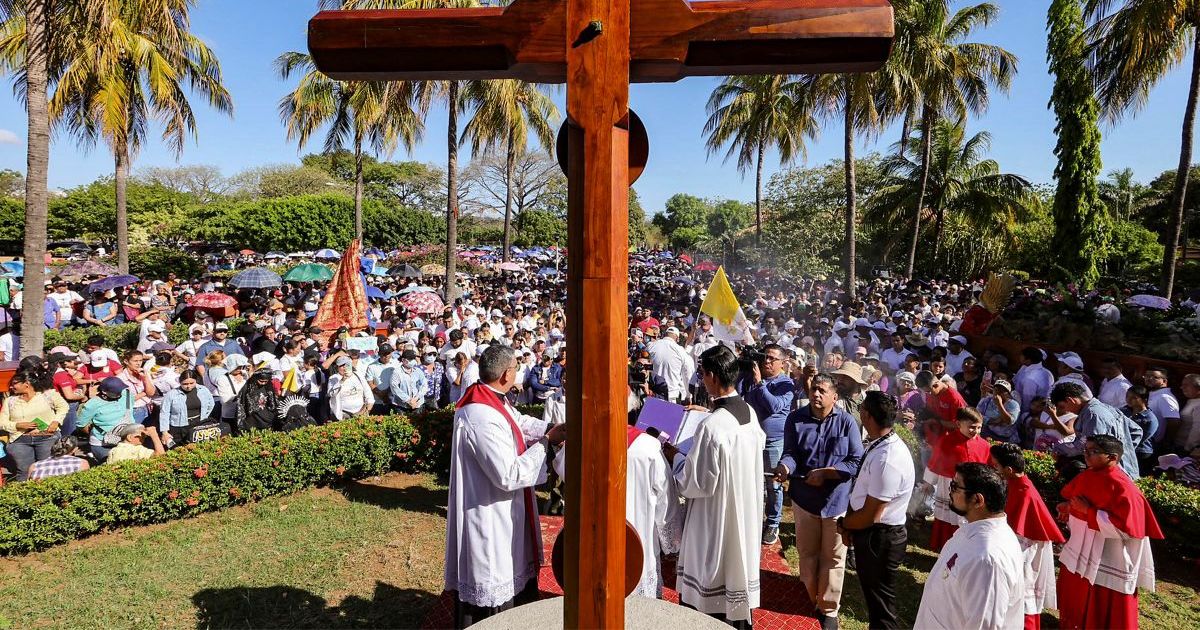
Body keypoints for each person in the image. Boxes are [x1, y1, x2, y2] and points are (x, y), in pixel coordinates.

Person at [444, 345, 567, 628]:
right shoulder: (480, 415)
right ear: (506, 374)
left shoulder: (491, 398)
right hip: (488, 511)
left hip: (504, 508)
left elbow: (518, 422)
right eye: (515, 368)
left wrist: (550, 427)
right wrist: (547, 442)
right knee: (492, 578)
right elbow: (508, 474)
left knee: (512, 570)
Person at [665, 344, 764, 629]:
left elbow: (696, 484)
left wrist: (677, 458)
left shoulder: (713, 426)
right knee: (736, 582)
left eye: (702, 375)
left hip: (715, 520)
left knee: (710, 595)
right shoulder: (748, 412)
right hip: (743, 514)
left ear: (712, 377)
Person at [773, 373, 863, 628]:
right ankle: (807, 600)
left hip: (836, 501)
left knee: (834, 558)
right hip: (804, 501)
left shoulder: (847, 423)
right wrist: (785, 467)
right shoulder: (795, 418)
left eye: (822, 390)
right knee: (807, 553)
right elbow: (790, 453)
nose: (816, 394)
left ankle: (828, 609)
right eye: (814, 389)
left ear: (835, 396)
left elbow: (855, 461)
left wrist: (827, 473)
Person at [1056, 434, 1164, 630]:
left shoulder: (1124, 488)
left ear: (1113, 458)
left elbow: (1128, 530)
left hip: (1111, 555)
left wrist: (1088, 512)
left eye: (1093, 452)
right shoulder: (1087, 474)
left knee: (1104, 607)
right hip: (1082, 549)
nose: (1086, 456)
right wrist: (1068, 507)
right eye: (1085, 450)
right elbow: (1076, 501)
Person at [914, 463, 1026, 630]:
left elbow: (984, 626)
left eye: (955, 486)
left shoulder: (988, 559)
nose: (949, 491)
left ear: (977, 500)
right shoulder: (974, 530)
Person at [836, 391, 913, 630]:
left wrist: (845, 525)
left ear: (866, 415)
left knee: (881, 608)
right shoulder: (881, 444)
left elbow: (871, 514)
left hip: (880, 536)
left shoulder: (888, 458)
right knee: (875, 602)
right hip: (870, 532)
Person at [991, 443, 1065, 630]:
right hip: (1018, 543)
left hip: (1026, 547)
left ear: (1008, 469)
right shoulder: (1015, 483)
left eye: (996, 466)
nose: (994, 469)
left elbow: (1020, 529)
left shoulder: (1025, 493)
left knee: (1022, 590)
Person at [744, 343, 795, 545]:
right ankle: (755, 518)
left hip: (774, 441)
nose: (767, 361)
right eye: (765, 357)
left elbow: (774, 406)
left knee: (773, 484)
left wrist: (759, 383)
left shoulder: (787, 384)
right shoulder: (754, 379)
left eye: (772, 358)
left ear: (782, 362)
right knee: (752, 481)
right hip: (752, 438)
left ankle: (773, 523)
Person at [923, 407, 990, 552]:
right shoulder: (946, 441)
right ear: (959, 424)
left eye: (979, 427)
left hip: (973, 488)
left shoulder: (984, 445)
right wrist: (928, 483)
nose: (976, 431)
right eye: (972, 427)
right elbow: (935, 462)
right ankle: (945, 548)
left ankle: (965, 550)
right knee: (949, 517)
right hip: (949, 485)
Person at [1050, 381, 1142, 479]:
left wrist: (1060, 449)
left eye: (1063, 407)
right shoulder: (1106, 407)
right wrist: (1123, 450)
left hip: (1112, 474)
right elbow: (1136, 431)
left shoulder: (1092, 415)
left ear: (1070, 400)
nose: (1066, 411)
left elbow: (1088, 447)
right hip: (1122, 468)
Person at [0, 371, 68, 481]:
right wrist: (17, 425)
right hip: (20, 440)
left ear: (26, 384)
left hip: (47, 438)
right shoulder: (10, 401)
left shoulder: (48, 395)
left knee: (47, 470)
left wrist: (56, 421)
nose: (12, 387)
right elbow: (2, 422)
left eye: (15, 384)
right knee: (24, 471)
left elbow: (63, 407)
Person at [77, 377, 134, 463]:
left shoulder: (126, 394)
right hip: (103, 444)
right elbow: (81, 424)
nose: (119, 394)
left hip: (126, 441)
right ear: (104, 392)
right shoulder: (93, 404)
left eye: (120, 391)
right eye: (115, 392)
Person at [158, 369, 216, 445]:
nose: (188, 386)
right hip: (179, 427)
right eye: (185, 384)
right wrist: (164, 432)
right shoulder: (171, 394)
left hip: (199, 423)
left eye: (192, 383)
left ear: (196, 381)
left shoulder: (203, 390)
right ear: (180, 382)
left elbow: (211, 404)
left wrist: (205, 416)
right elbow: (164, 413)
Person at [647, 326, 695, 404]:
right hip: (672, 395)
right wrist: (688, 395)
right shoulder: (680, 350)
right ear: (677, 338)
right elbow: (688, 373)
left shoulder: (651, 346)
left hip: (652, 393)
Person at [1121, 385, 1160, 475]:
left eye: (1134, 398)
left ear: (1144, 399)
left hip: (1141, 452)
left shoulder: (1150, 419)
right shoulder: (1124, 411)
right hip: (1124, 449)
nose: (1129, 400)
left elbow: (1142, 438)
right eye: (1127, 396)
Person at [329, 355, 373, 421]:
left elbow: (368, 393)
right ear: (337, 367)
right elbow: (331, 394)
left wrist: (366, 410)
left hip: (361, 412)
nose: (344, 367)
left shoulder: (358, 375)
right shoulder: (333, 378)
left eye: (347, 364)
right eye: (341, 365)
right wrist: (342, 380)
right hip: (343, 414)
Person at [978, 378, 1021, 444]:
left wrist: (999, 404)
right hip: (988, 433)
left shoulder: (1014, 404)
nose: (998, 393)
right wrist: (993, 421)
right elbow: (977, 415)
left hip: (1006, 438)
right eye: (996, 390)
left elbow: (1010, 421)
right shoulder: (987, 400)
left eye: (1002, 391)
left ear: (1008, 393)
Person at [389, 349, 428, 414]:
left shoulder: (418, 371)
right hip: (402, 406)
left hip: (418, 404)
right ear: (403, 360)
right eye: (410, 359)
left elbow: (424, 385)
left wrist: (416, 398)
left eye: (413, 359)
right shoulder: (397, 372)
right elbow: (394, 388)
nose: (413, 361)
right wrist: (408, 400)